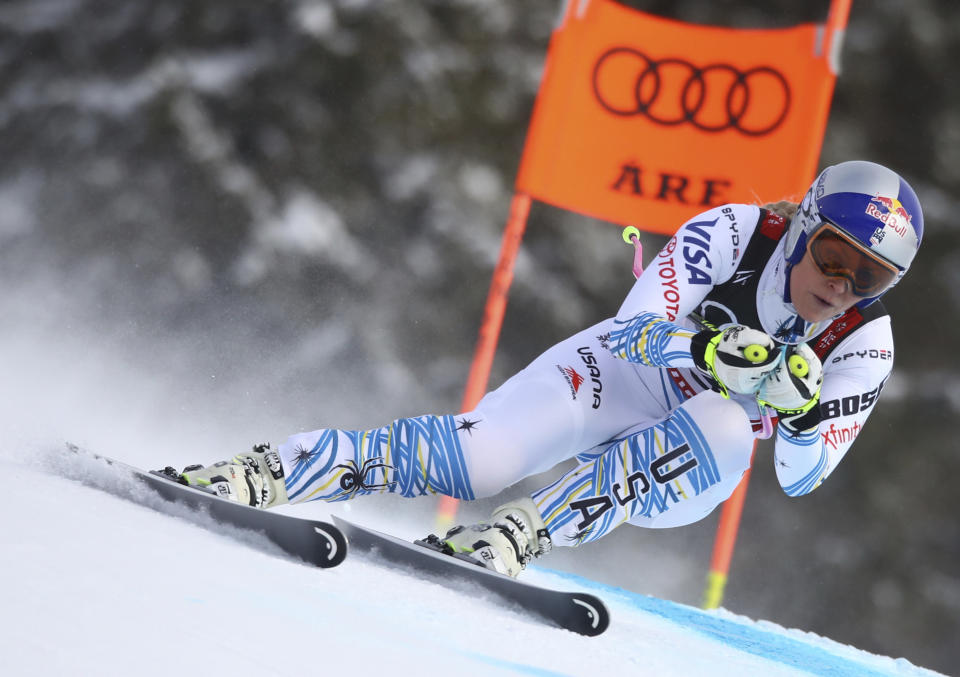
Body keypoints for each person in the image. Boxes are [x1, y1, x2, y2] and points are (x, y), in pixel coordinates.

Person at [171, 160, 923, 578]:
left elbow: (801, 476)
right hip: (622, 375)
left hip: (692, 457)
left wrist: (800, 410)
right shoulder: (732, 231)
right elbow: (633, 331)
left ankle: (520, 535)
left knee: (728, 421)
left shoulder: (864, 342)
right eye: (833, 256)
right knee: (478, 457)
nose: (842, 285)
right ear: (801, 226)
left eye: (871, 278)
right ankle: (270, 469)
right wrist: (705, 350)